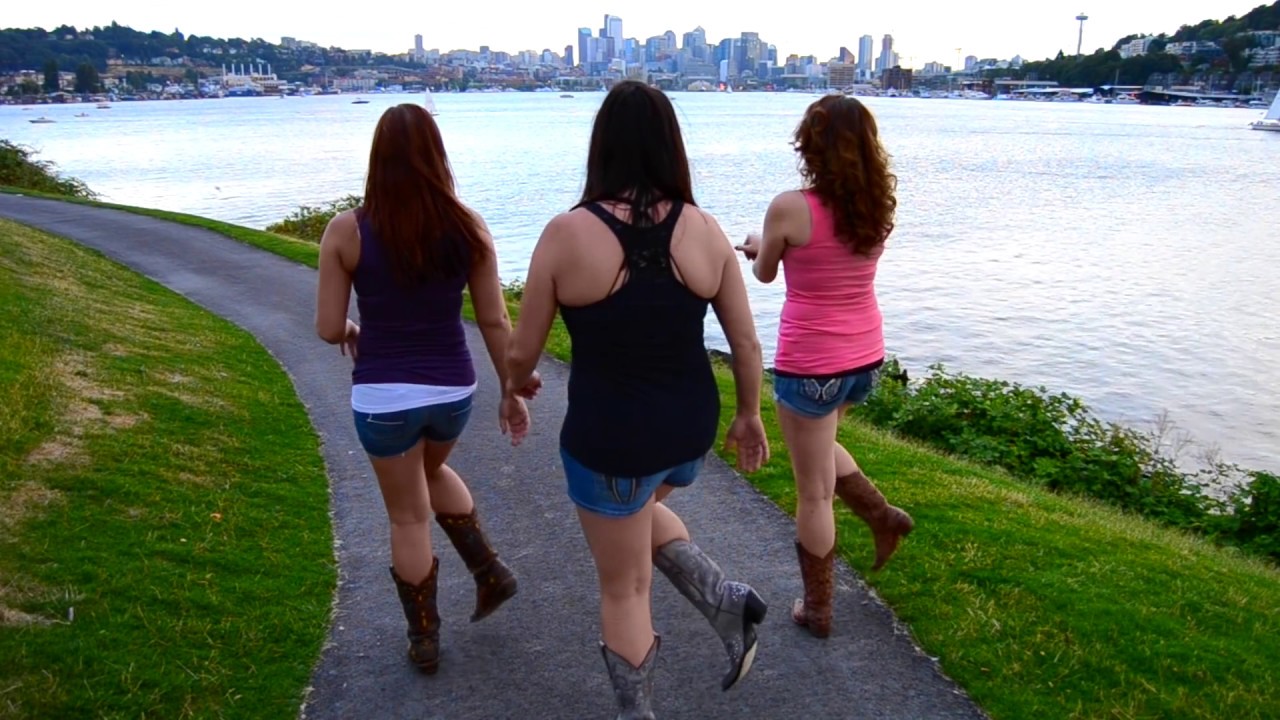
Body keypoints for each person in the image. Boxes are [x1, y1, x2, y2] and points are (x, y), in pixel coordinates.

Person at [506, 80, 770, 718]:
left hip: (612, 438)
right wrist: (748, 414)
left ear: (603, 147)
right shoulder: (704, 229)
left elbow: (522, 349)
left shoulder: (567, 233)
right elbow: (746, 343)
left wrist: (517, 384)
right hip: (686, 432)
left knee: (624, 587)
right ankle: (727, 604)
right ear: (670, 147)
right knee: (636, 513)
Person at [314, 103, 539, 674]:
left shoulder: (347, 230)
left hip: (384, 400)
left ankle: (425, 638)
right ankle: (489, 572)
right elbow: (493, 321)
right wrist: (509, 388)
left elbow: (327, 327)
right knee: (432, 471)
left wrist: (352, 330)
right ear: (437, 156)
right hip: (452, 394)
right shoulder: (468, 228)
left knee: (408, 517)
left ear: (377, 159)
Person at [736, 95, 913, 640]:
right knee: (819, 442)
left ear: (809, 145)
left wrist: (756, 245)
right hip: (864, 358)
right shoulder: (877, 207)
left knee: (812, 491)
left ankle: (818, 611)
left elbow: (766, 273)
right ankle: (883, 516)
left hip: (811, 362)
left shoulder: (790, 207)